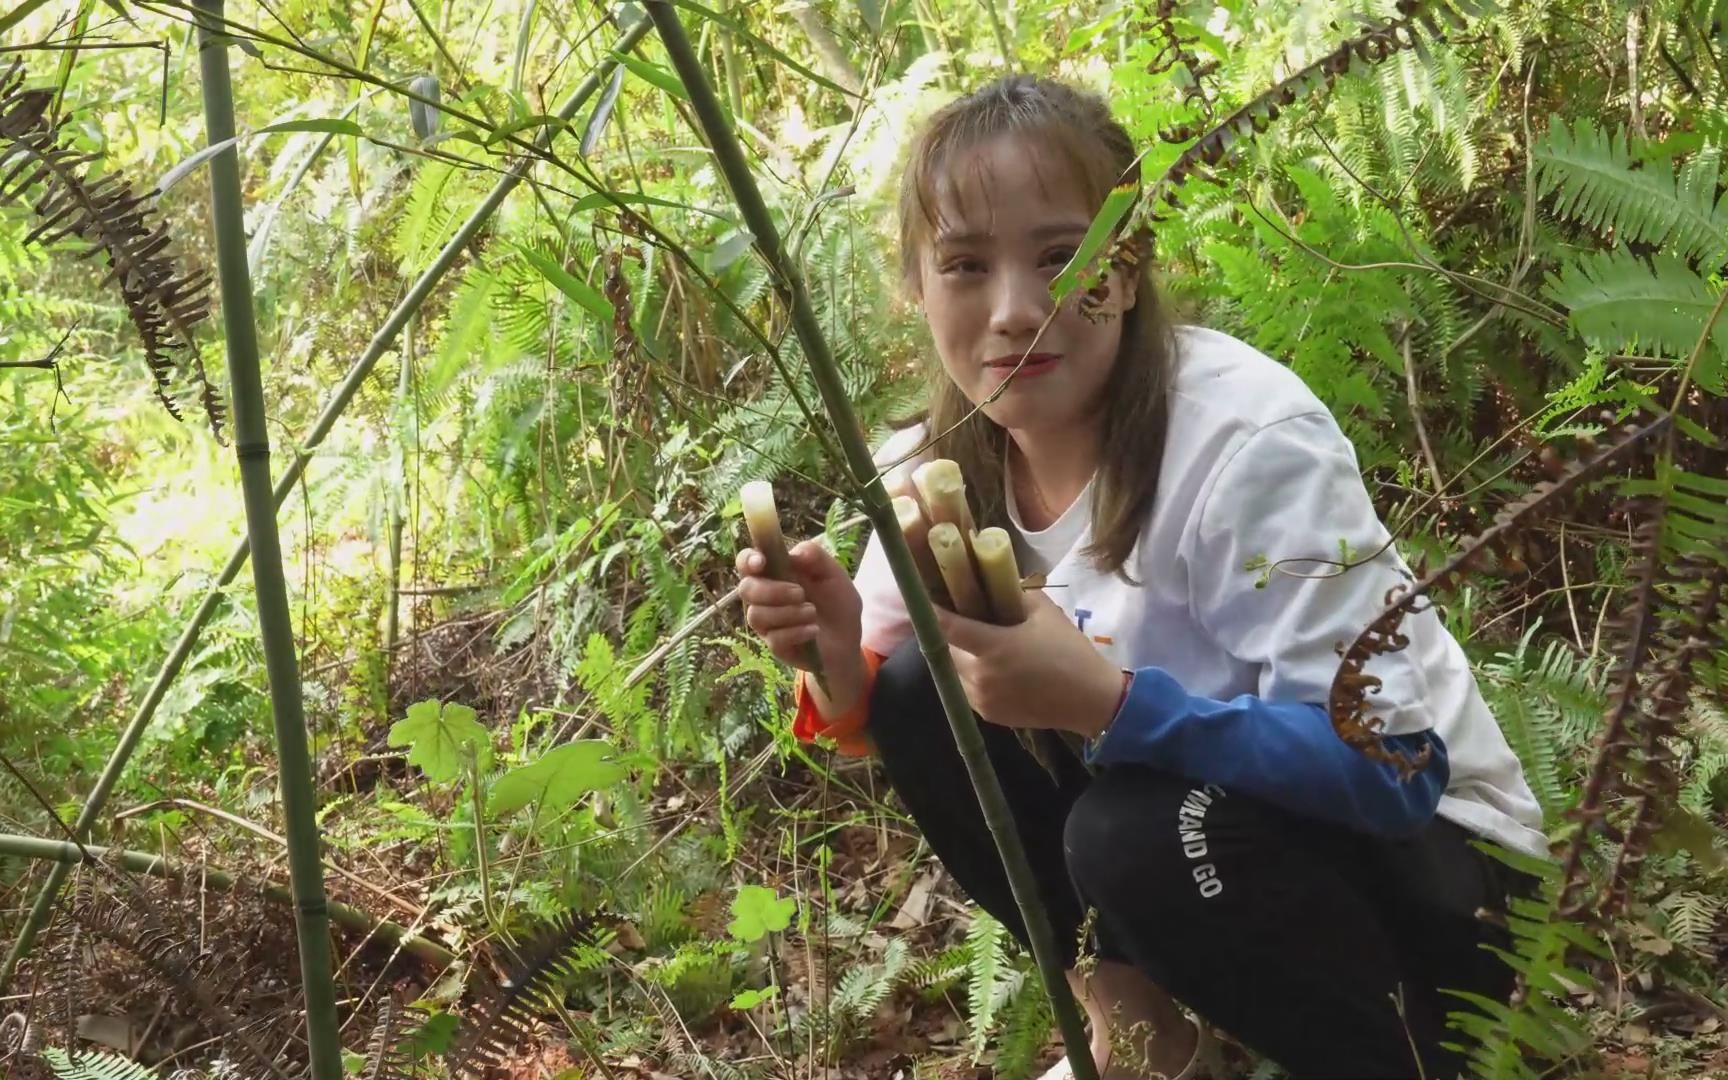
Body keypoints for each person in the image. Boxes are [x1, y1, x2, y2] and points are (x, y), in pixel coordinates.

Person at [734, 73, 1546, 1080]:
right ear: (916, 286)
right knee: (917, 694)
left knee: (1135, 832)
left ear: (1127, 263)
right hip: (1240, 854)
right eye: (966, 265)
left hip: (1448, 889)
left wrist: (1110, 703)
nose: (1017, 311)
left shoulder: (1245, 441)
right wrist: (832, 658)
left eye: (1060, 257)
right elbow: (892, 724)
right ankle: (1149, 1038)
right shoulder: (933, 467)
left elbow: (1397, 770)